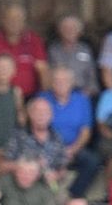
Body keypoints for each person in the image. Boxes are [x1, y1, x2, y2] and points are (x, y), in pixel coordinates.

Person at [37, 66, 98, 195]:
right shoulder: (43, 98)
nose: (60, 84)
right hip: (47, 147)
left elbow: (86, 131)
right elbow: (37, 126)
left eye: (64, 81)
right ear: (51, 82)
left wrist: (72, 149)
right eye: (57, 81)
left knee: (92, 161)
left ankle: (72, 196)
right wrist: (56, 151)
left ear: (71, 83)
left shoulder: (81, 100)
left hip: (73, 147)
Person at [0, 5, 49, 98]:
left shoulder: (33, 39)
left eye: (18, 19)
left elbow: (43, 70)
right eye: (10, 19)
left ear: (24, 22)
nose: (14, 22)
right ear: (3, 21)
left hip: (31, 95)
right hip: (3, 95)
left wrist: (45, 96)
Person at [47, 15, 99, 97]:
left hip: (82, 92)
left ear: (80, 31)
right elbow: (48, 75)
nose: (69, 31)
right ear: (60, 30)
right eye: (65, 28)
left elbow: (91, 75)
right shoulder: (53, 50)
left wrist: (88, 91)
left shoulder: (86, 49)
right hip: (58, 93)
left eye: (73, 28)